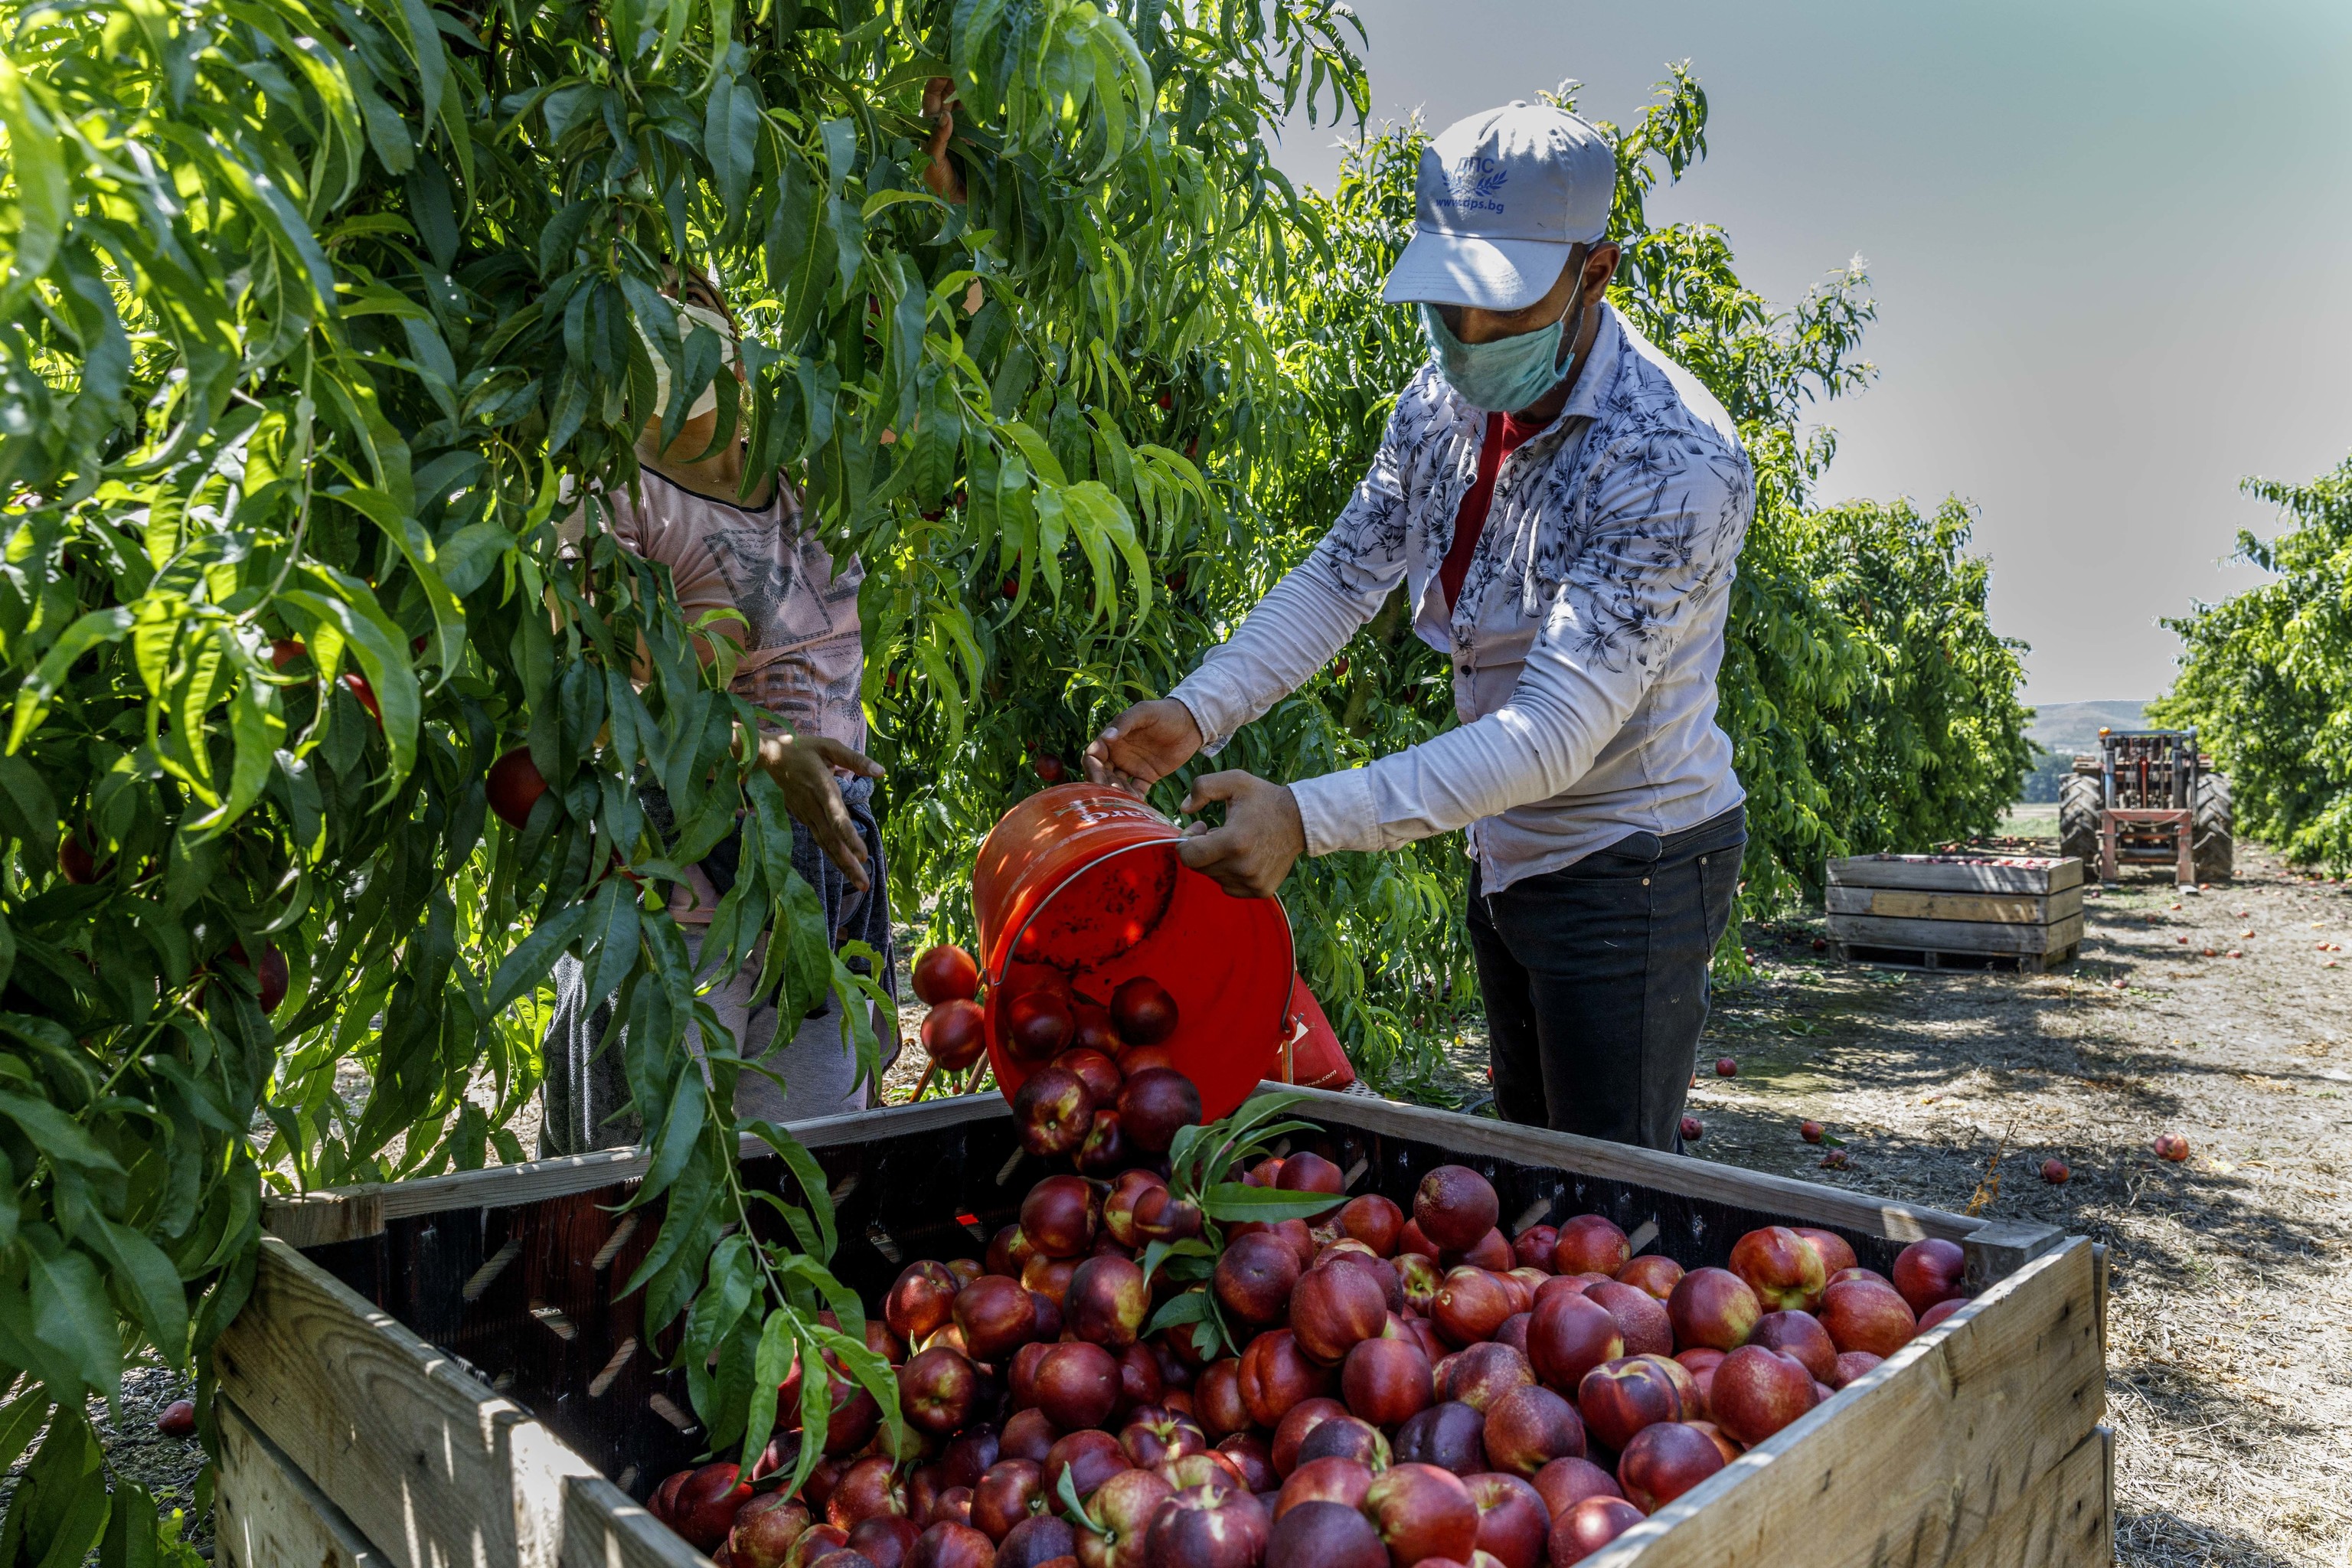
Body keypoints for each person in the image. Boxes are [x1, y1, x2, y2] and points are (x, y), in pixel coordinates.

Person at [1083, 103, 1753, 1151]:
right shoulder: (1438, 407)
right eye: (1452, 301)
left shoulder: (1672, 458)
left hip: (1635, 858)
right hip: (1507, 843)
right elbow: (1342, 579)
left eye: (1505, 304)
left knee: (1611, 1201)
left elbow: (1553, 734)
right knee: (1534, 1166)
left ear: (1599, 269)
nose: (1472, 337)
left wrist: (1306, 817)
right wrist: (1195, 710)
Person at [538, 268, 894, 1155]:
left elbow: (910, 392)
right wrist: (765, 753)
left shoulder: (803, 475)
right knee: (674, 1184)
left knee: (820, 1175)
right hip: (689, 902)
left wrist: (939, 205)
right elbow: (610, 704)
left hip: (825, 877)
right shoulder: (608, 501)